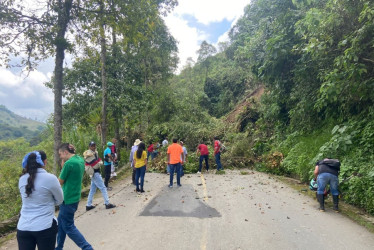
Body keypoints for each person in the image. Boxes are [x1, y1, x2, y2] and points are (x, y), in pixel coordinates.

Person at [17, 151, 63, 250]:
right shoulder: (51, 178)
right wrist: (49, 202)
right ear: (44, 162)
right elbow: (60, 200)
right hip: (44, 226)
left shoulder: (21, 179)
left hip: (23, 227)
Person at [56, 143, 93, 250]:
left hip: (67, 199)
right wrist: (64, 163)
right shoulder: (80, 159)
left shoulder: (69, 164)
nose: (60, 157)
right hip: (75, 197)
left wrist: (64, 164)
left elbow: (59, 182)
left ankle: (87, 247)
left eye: (60, 154)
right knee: (60, 224)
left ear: (65, 152)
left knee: (68, 226)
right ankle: (59, 247)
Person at [84, 141, 116, 211]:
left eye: (94, 145)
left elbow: (99, 160)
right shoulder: (89, 155)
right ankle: (107, 203)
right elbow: (96, 165)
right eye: (92, 146)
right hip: (95, 173)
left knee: (92, 190)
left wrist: (99, 162)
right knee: (103, 188)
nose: (94, 147)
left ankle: (88, 205)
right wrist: (99, 162)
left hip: (95, 173)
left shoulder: (95, 153)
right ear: (89, 147)